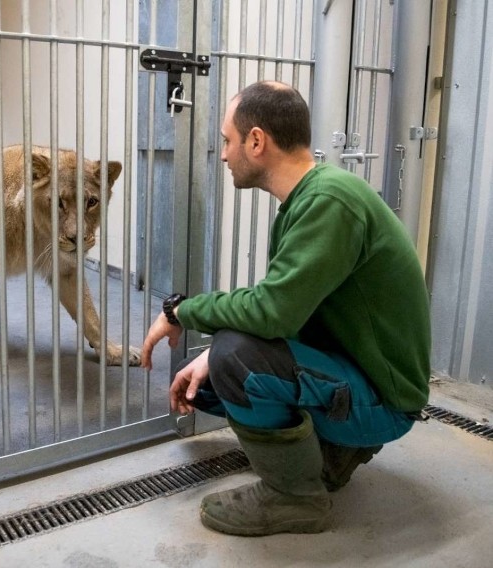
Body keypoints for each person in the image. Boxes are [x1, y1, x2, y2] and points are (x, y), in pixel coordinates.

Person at [141, 81, 431, 536]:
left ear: (256, 141)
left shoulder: (328, 202)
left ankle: (294, 499)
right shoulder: (312, 199)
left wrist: (182, 312)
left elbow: (273, 313)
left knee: (236, 358)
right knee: (215, 377)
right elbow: (291, 309)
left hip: (384, 402)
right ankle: (332, 457)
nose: (222, 154)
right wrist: (208, 356)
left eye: (227, 141)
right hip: (356, 374)